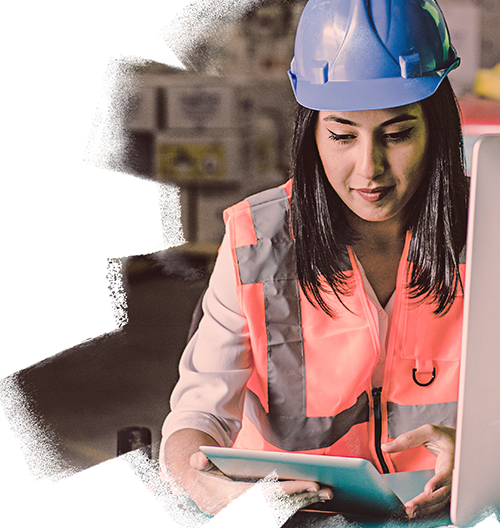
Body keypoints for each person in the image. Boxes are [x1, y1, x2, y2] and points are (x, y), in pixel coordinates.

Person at [160, 0, 468, 525]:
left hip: (447, 512)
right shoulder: (255, 242)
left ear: (436, 128)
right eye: (342, 135)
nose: (368, 169)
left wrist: (483, 450)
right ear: (311, 133)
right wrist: (200, 483)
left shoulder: (492, 230)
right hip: (291, 517)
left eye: (397, 134)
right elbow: (198, 413)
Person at [0, 0, 87, 291]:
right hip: (20, 126)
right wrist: (75, 63)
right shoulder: (25, 30)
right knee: (13, 202)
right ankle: (7, 265)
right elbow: (47, 74)